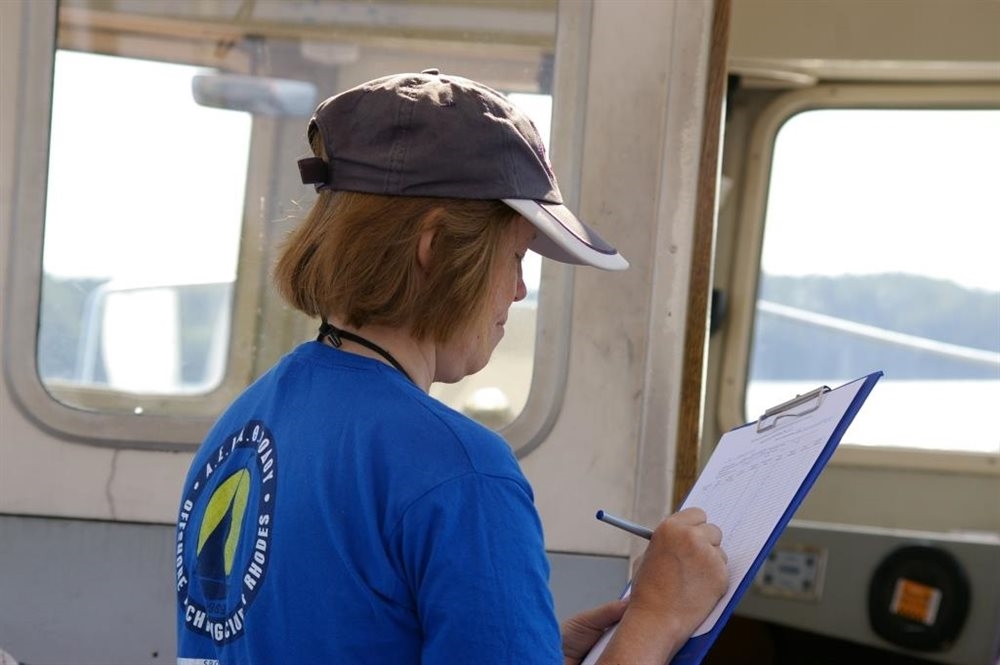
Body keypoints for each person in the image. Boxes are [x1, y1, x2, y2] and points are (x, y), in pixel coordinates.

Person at [175, 68, 728, 664]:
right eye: (515, 256)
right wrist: (657, 618)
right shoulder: (459, 469)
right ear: (435, 248)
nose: (519, 289)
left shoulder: (241, 427)